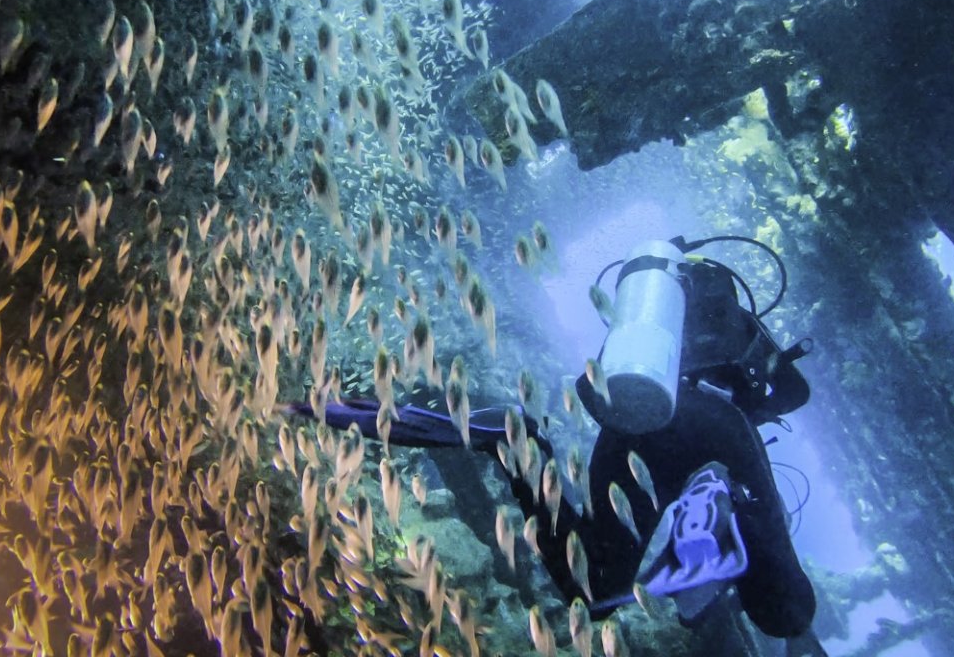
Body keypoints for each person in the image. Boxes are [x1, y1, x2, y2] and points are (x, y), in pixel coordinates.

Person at [297, 236, 825, 654]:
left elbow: (596, 382)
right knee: (786, 611)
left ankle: (514, 439)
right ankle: (718, 499)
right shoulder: (734, 319)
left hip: (630, 419)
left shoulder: (646, 318)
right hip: (716, 426)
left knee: (595, 586)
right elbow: (792, 393)